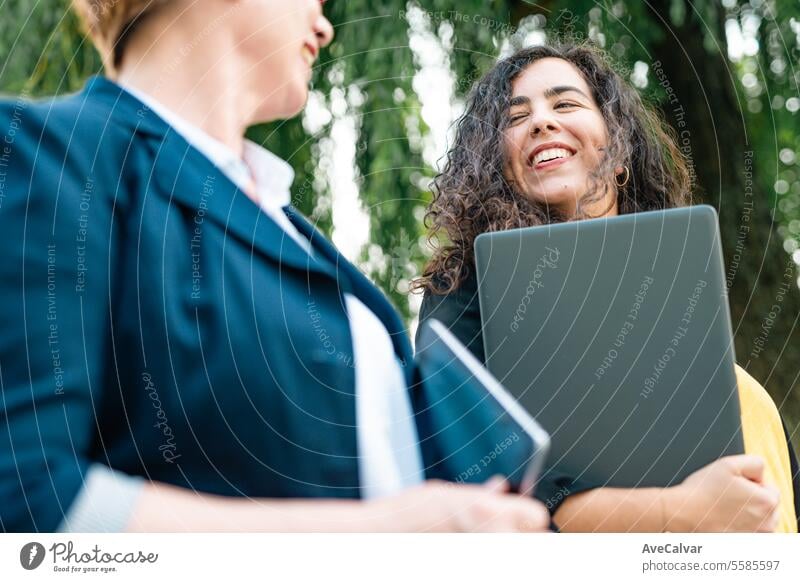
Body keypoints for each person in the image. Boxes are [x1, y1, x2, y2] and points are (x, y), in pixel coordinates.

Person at [0, 0, 550, 533]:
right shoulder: (46, 157)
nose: (327, 27)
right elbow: (27, 498)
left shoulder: (285, 219)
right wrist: (384, 538)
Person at [414, 42, 798, 532]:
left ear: (617, 149)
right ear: (499, 167)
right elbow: (476, 477)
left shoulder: (683, 280)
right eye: (515, 116)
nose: (541, 121)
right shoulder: (464, 292)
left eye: (566, 103)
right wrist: (682, 514)